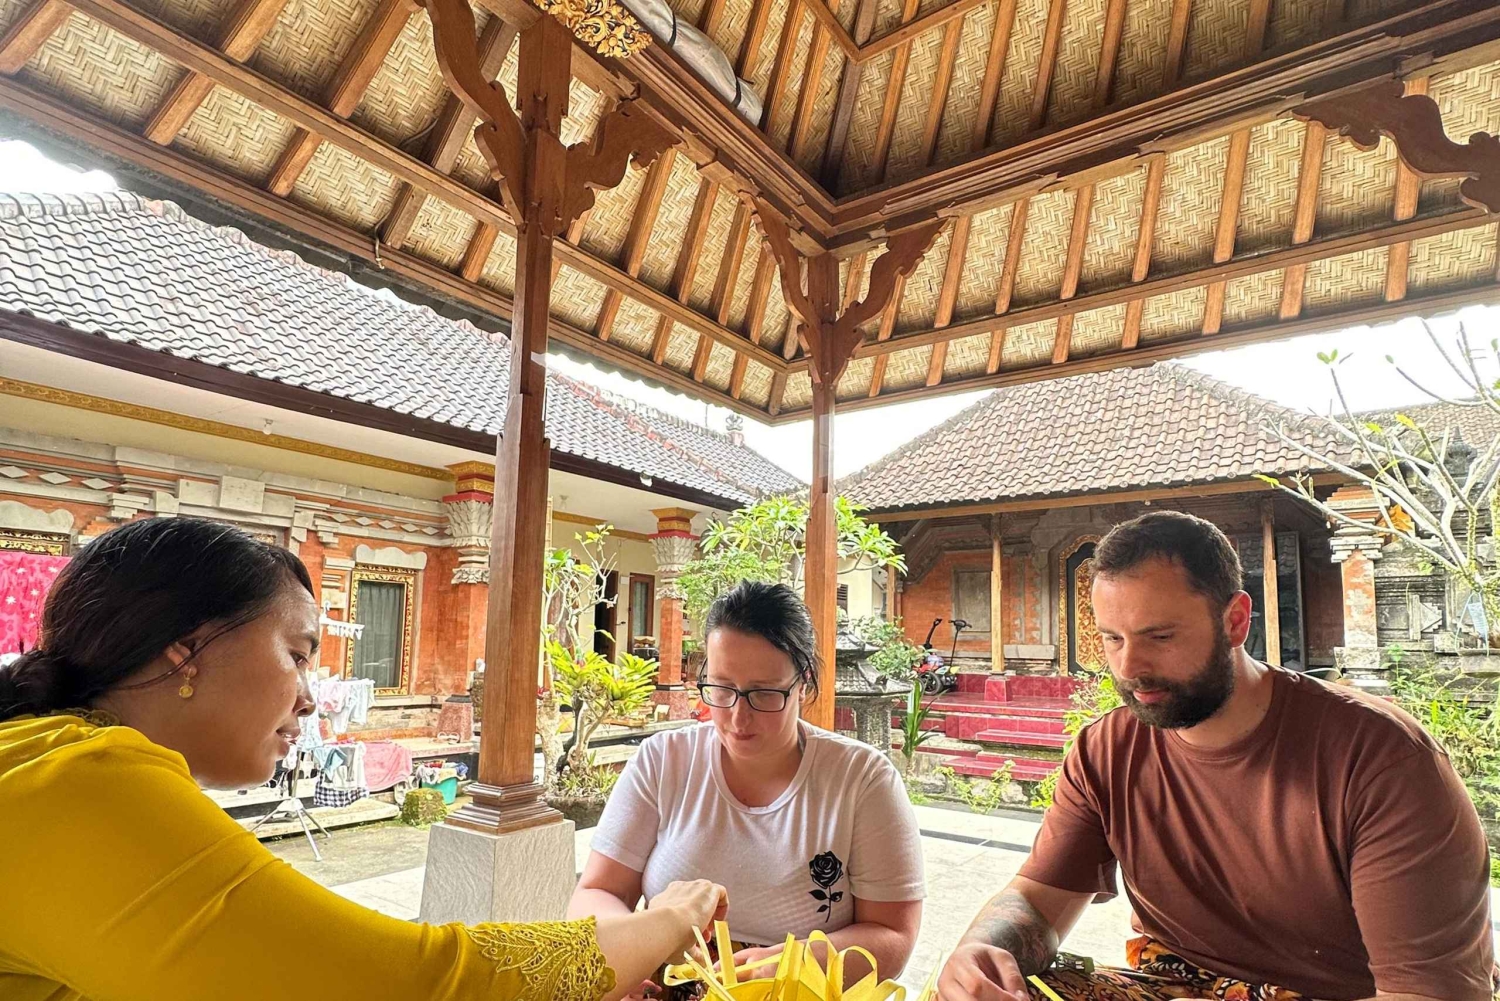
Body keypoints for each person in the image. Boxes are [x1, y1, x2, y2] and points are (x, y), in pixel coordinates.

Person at [0, 517, 728, 1001]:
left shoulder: (49, 759)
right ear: (187, 648)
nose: (310, 697)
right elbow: (413, 982)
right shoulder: (79, 785)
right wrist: (668, 921)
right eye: (297, 655)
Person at [939, 510, 1495, 1001]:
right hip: (1167, 985)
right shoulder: (1106, 751)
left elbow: (1430, 993)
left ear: (1235, 621)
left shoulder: (1380, 760)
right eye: (1112, 639)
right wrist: (983, 952)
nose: (1129, 668)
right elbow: (1039, 901)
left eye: (1160, 636)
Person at [569, 580, 924, 982]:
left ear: (803, 682)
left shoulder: (862, 780)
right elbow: (599, 892)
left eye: (765, 693)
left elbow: (892, 933)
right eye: (722, 688)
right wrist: (625, 960)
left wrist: (786, 968)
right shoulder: (664, 761)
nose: (739, 717)